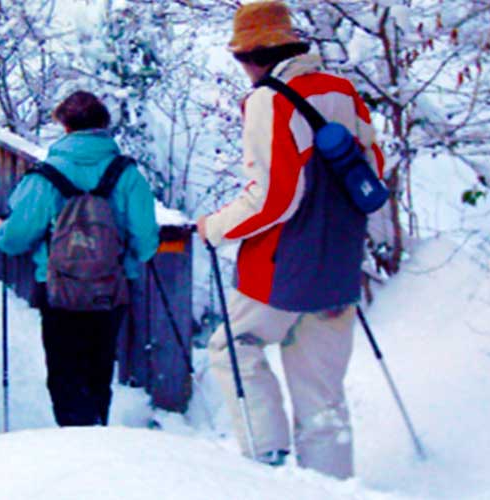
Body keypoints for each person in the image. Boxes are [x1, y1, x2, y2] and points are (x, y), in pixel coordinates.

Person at [195, 0, 386, 480]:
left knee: (231, 348)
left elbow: (273, 198)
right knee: (321, 392)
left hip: (281, 267)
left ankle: (267, 465)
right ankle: (330, 485)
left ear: (252, 56)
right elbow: (374, 169)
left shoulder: (269, 100)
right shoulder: (342, 89)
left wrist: (213, 227)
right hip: (339, 262)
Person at [0, 91, 160, 427]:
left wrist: (1, 229)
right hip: (110, 290)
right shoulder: (127, 175)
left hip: (58, 291)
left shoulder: (45, 176)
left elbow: (14, 240)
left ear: (65, 126)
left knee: (64, 373)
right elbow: (145, 243)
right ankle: (98, 430)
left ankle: (75, 442)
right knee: (99, 369)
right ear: (103, 125)